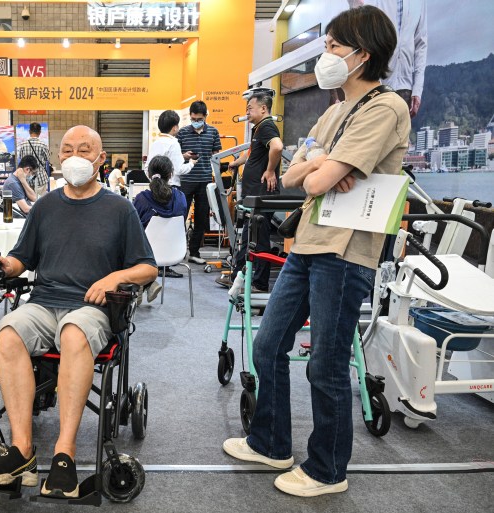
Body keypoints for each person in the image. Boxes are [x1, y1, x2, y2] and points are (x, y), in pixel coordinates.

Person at [222, 6, 409, 497]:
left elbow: (318, 175)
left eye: (332, 46)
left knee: (326, 361)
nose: (325, 54)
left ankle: (327, 469)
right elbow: (291, 175)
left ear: (361, 54)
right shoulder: (332, 111)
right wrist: (320, 165)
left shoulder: (386, 108)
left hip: (347, 251)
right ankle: (270, 442)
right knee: (267, 344)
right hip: (308, 240)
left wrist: (318, 166)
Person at [0, 125, 157, 498]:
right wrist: (4, 264)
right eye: (68, 150)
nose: (75, 157)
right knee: (8, 330)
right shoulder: (45, 206)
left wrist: (115, 277)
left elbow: (147, 267)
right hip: (43, 303)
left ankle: (64, 454)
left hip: (91, 308)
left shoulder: (119, 209)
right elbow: (24, 257)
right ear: (58, 158)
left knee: (73, 331)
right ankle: (21, 451)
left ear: (101, 159)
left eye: (84, 151)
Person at [218, 94, 283, 291]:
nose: (246, 112)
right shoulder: (259, 129)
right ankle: (239, 277)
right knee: (247, 238)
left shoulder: (267, 126)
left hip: (262, 195)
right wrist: (236, 162)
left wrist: (270, 170)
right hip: (253, 197)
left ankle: (260, 284)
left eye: (250, 108)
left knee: (259, 240)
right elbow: (252, 152)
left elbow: (277, 147)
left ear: (263, 109)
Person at [352, 0, 427, 118]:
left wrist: (417, 88)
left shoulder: (419, 2)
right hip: (376, 83)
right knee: (372, 133)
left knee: (400, 134)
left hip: (405, 87)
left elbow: (420, 44)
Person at [133, 155, 188, 298]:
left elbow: (133, 227)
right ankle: (148, 284)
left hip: (145, 254)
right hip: (175, 251)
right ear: (171, 174)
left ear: (149, 175)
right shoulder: (181, 197)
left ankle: (141, 284)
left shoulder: (142, 199)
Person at [176, 100, 222, 264]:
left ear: (205, 116)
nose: (196, 122)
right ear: (190, 116)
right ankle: (177, 252)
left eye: (199, 119)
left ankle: (194, 252)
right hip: (186, 180)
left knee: (202, 219)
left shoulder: (213, 132)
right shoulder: (182, 133)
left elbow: (217, 155)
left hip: (204, 180)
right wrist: (184, 156)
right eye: (193, 118)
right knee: (179, 217)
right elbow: (175, 157)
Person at [145, 110, 196, 187]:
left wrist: (182, 156)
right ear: (174, 128)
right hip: (171, 187)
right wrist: (191, 163)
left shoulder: (155, 143)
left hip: (155, 187)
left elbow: (148, 168)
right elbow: (179, 170)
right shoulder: (174, 144)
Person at [16, 122, 51, 197]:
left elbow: (21, 160)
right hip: (40, 178)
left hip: (26, 179)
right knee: (40, 203)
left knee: (28, 202)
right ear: (40, 132)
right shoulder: (43, 145)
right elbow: (47, 159)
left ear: (29, 131)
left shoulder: (22, 145)